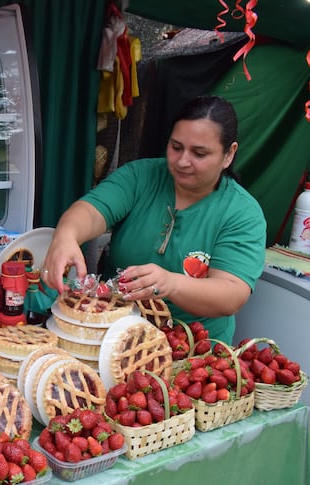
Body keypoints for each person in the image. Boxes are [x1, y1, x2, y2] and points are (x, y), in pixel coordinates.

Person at [41, 95, 266, 344]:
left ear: (228, 154)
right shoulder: (141, 177)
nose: (182, 161)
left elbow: (231, 294)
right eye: (176, 147)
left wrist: (171, 283)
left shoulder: (242, 213)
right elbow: (91, 211)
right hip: (112, 334)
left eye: (199, 153)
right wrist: (66, 235)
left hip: (193, 351)